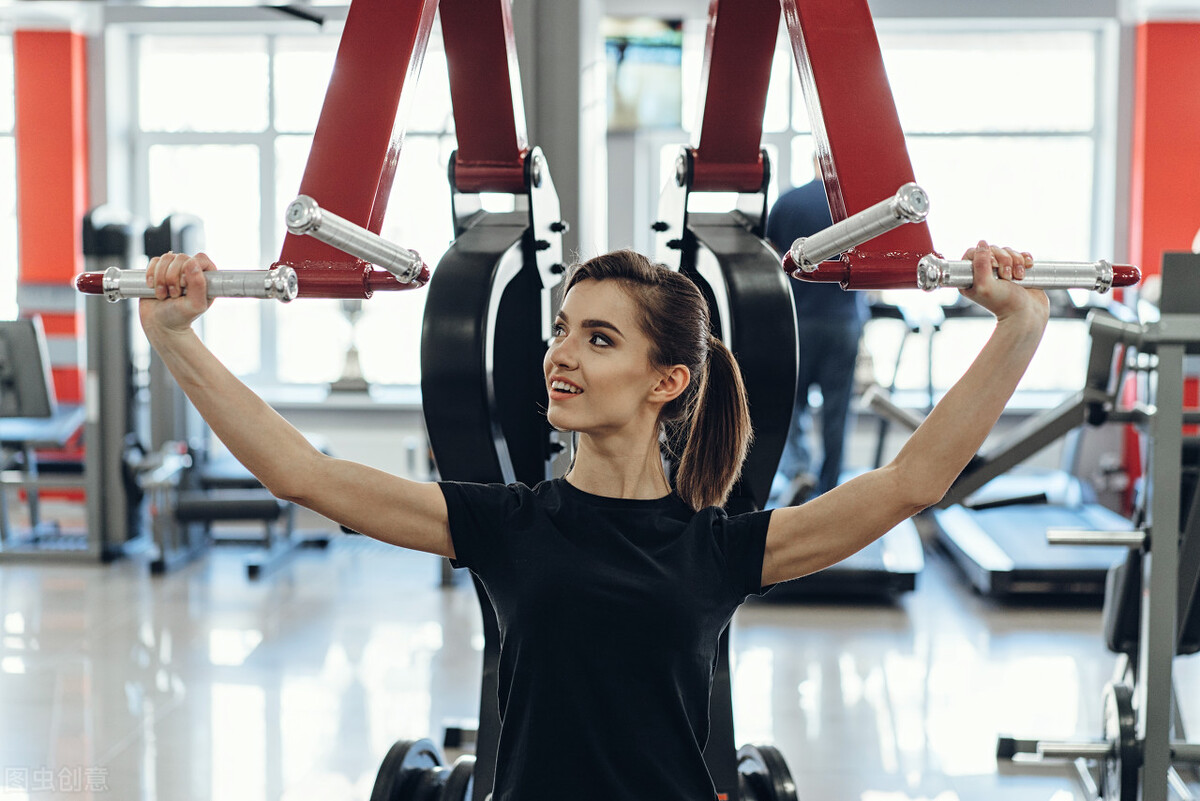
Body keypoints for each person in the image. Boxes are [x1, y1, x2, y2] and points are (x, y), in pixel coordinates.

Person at [138, 242, 1047, 801]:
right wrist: (177, 338)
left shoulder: (720, 548)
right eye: (563, 329)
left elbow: (911, 482)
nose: (560, 355)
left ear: (668, 381)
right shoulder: (506, 525)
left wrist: (1016, 330)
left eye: (597, 338)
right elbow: (305, 474)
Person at [766, 173, 870, 505]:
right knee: (836, 410)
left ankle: (799, 472)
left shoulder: (787, 202)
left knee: (789, 406)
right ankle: (830, 488)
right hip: (843, 322)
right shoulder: (856, 209)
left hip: (797, 322)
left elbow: (770, 261)